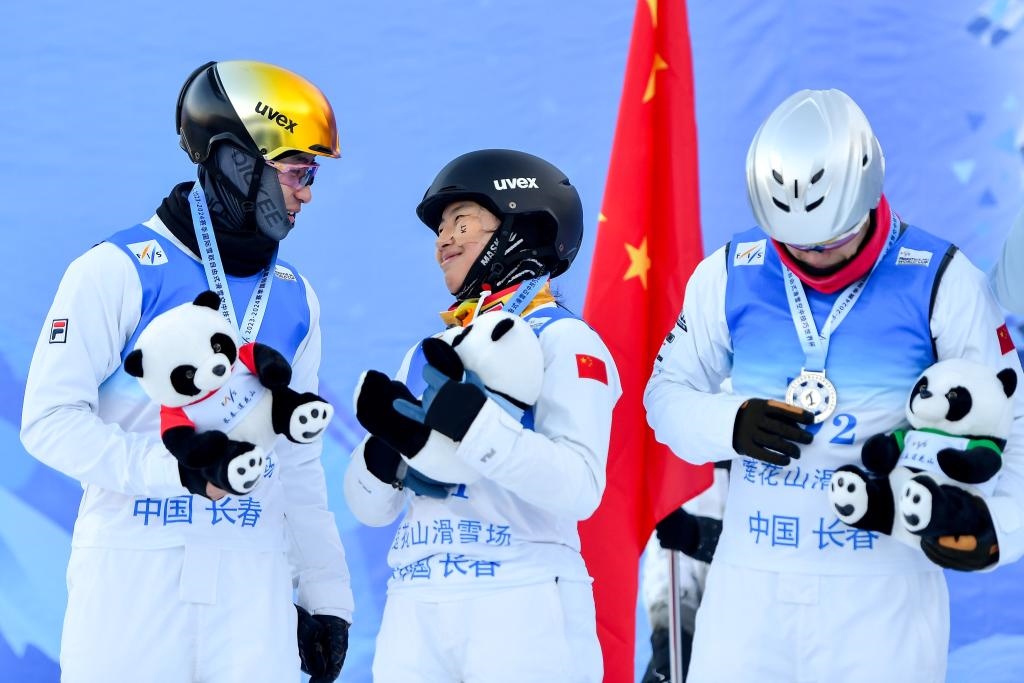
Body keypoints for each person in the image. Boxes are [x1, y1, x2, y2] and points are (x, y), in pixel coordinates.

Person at [643, 88, 1024, 682]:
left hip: (882, 593)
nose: (815, 255)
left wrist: (998, 529)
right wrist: (730, 422)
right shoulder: (728, 272)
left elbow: (1013, 421)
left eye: (832, 237)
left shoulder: (944, 280)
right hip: (749, 590)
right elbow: (664, 396)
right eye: (795, 242)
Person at [20, 60, 353, 683]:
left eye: (311, 175)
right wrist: (175, 471)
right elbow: (49, 422)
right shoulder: (117, 269)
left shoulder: (294, 297)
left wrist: (325, 595)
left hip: (252, 581)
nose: (306, 192)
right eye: (296, 171)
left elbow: (300, 464)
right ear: (238, 163)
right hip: (134, 573)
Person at [343, 149, 620, 683]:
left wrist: (475, 429)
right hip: (415, 603)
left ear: (521, 227)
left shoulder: (564, 339)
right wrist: (380, 459)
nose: (442, 241)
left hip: (518, 597)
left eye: (461, 222)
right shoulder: (428, 351)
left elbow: (580, 488)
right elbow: (374, 510)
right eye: (440, 229)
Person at [640, 462, 728, 683]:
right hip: (680, 586)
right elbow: (666, 561)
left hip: (754, 610)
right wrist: (668, 630)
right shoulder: (674, 458)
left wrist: (699, 535)